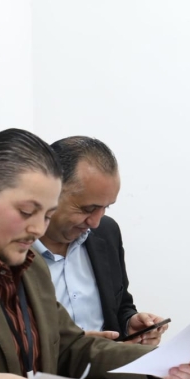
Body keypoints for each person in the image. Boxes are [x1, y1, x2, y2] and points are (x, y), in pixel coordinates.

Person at [0, 128, 190, 379]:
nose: (38, 229)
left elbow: (70, 348)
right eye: (27, 212)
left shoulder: (30, 264)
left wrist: (159, 361)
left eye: (47, 215)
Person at [33, 136, 168, 346]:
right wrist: (73, 345)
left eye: (106, 207)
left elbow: (120, 306)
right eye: (88, 209)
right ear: (49, 192)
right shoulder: (10, 249)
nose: (95, 222)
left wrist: (129, 324)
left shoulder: (106, 233)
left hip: (108, 365)